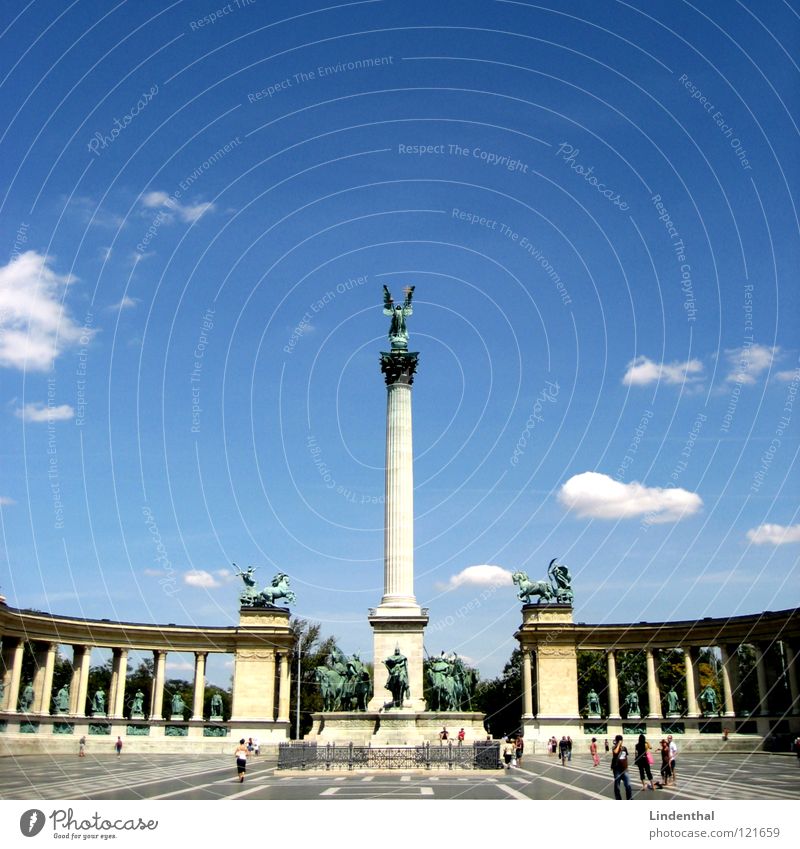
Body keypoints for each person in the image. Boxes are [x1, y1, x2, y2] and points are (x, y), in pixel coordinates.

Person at [611, 735, 632, 800]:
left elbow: (626, 757)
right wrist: (618, 745)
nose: (621, 742)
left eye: (621, 741)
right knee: (617, 786)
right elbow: (615, 752)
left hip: (625, 770)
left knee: (628, 785)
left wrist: (627, 766)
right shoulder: (614, 747)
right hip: (617, 769)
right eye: (619, 741)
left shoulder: (624, 748)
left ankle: (629, 798)